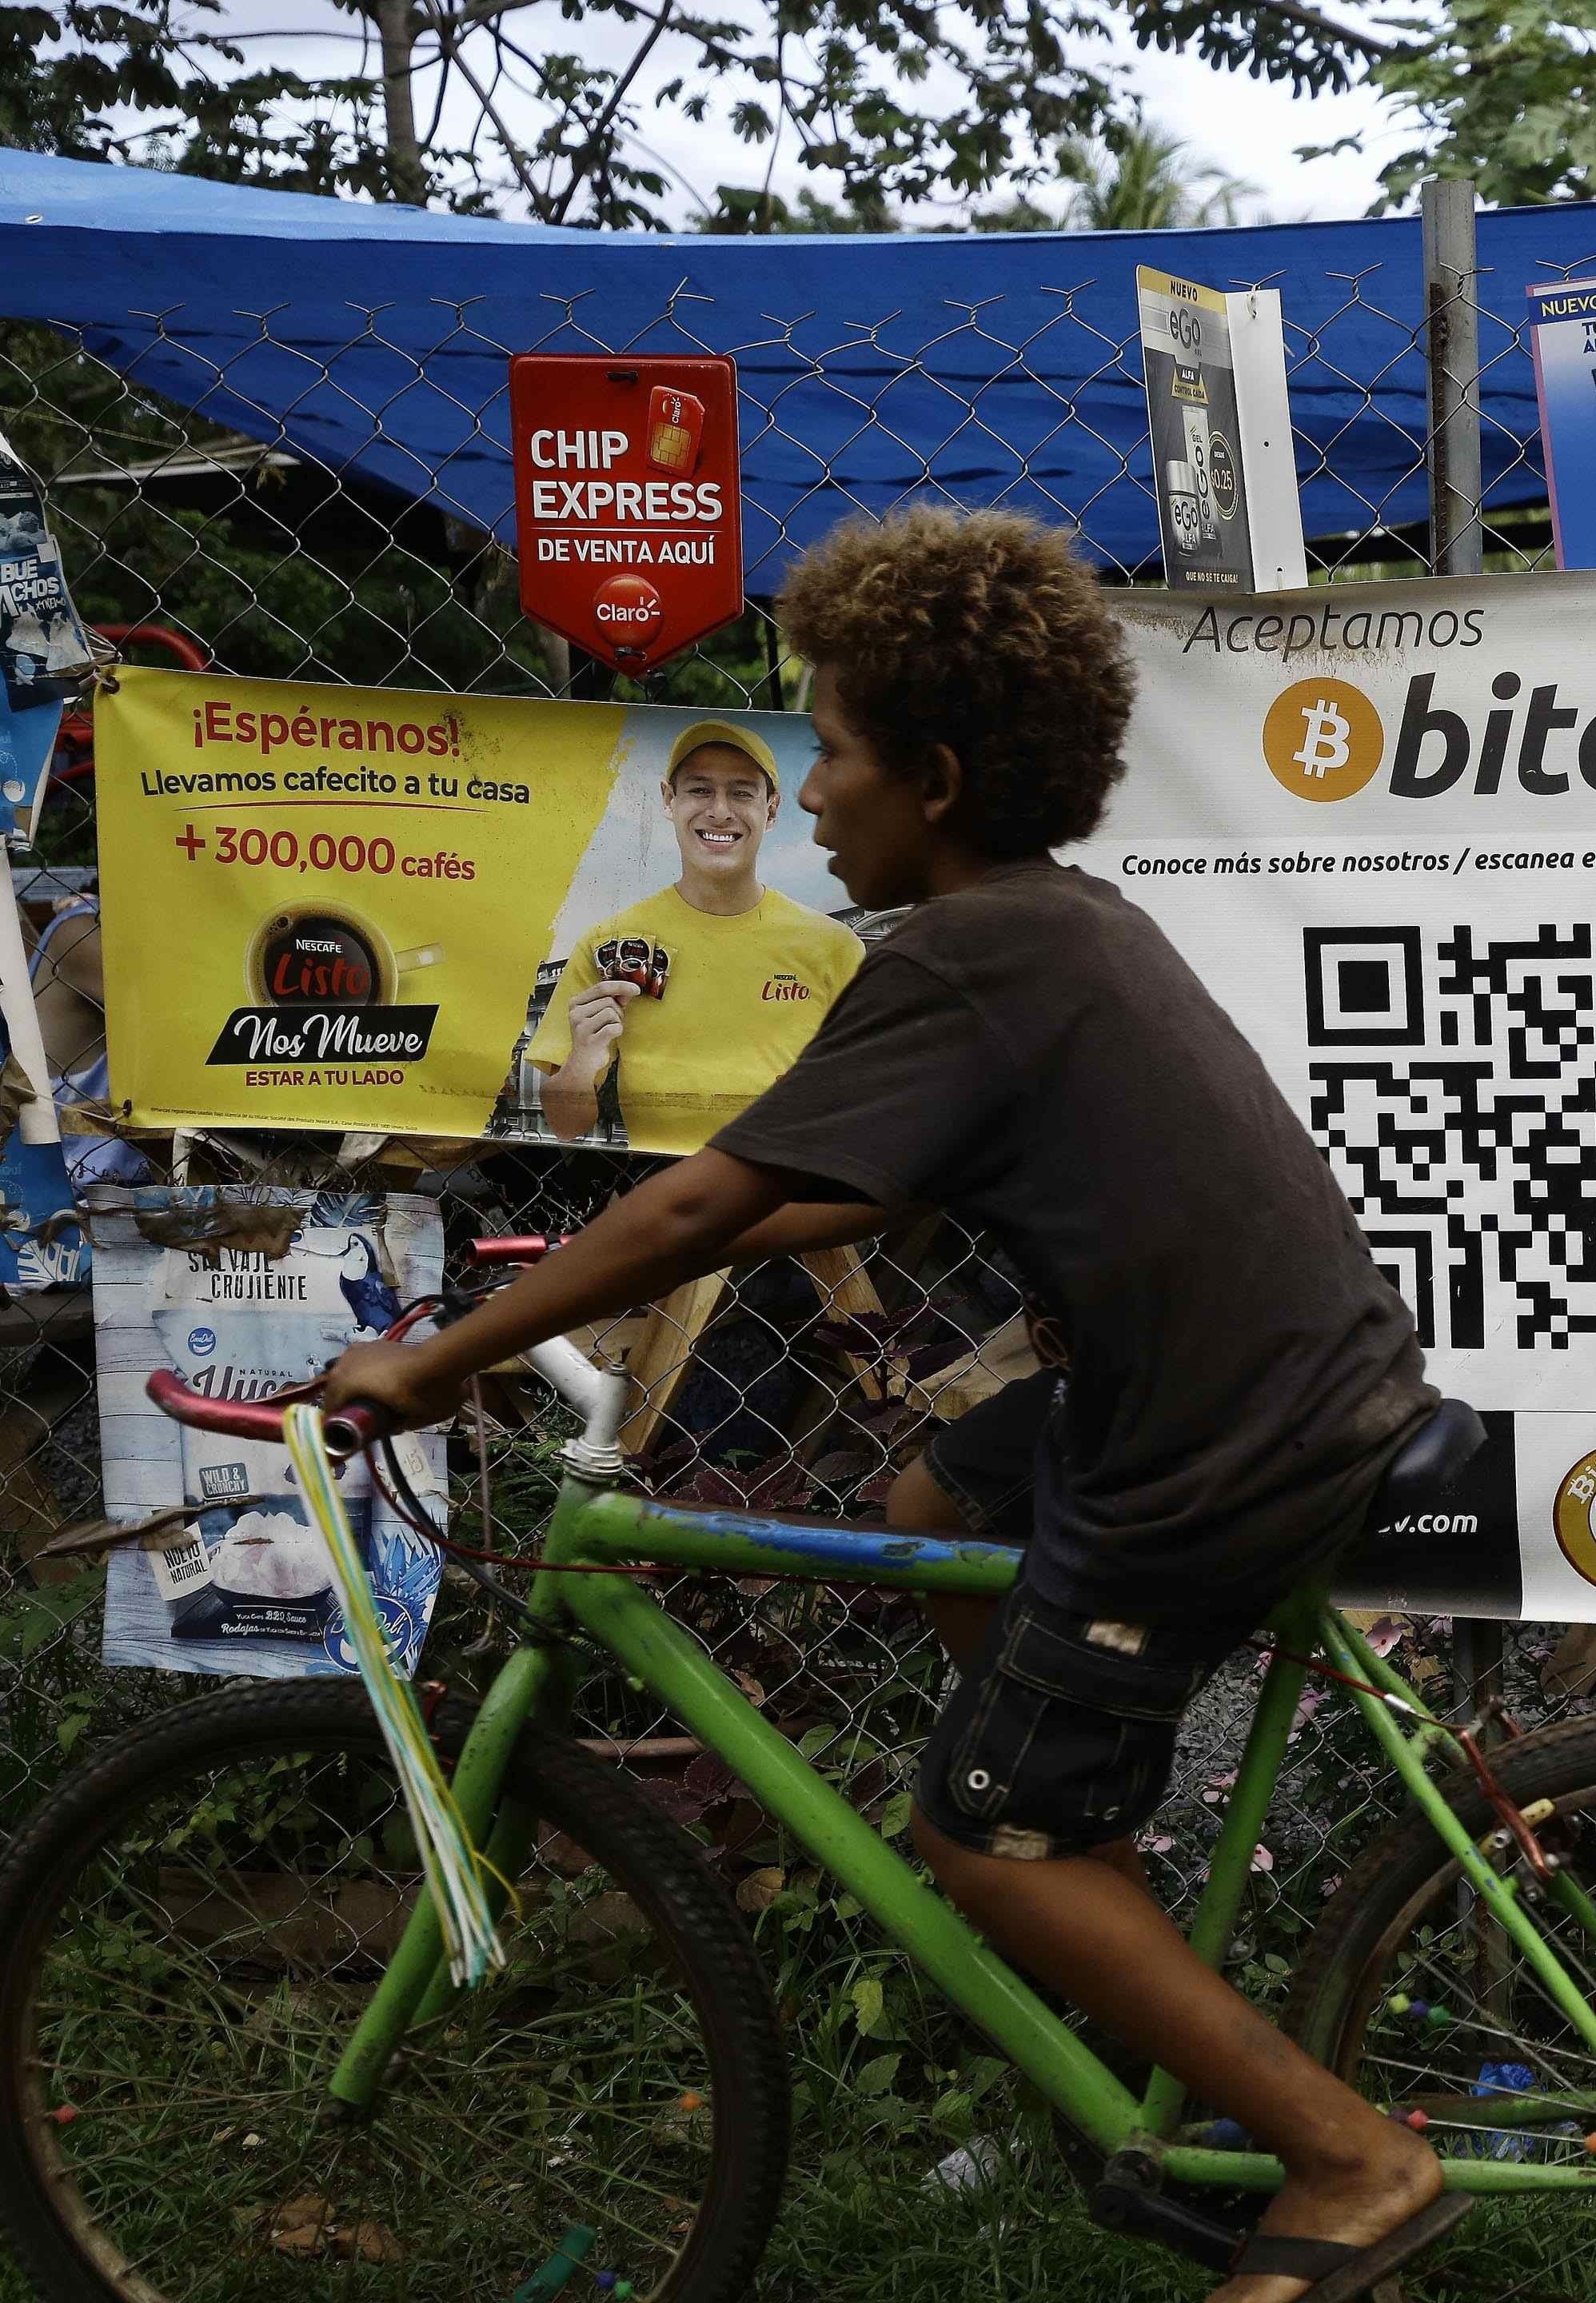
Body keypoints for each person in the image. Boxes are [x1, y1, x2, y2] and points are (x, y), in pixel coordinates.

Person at [324, 507, 1460, 2303]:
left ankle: (1342, 2155)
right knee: (932, 1504)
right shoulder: (1046, 928)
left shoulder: (965, 957)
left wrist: (438, 1354)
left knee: (968, 1833)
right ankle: (1087, 1859)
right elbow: (816, 1194)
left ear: (930, 778)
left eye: (832, 751)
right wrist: (641, 1260)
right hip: (1252, 1385)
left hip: (1213, 1447)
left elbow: (700, 1202)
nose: (808, 790)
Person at [525, 720, 864, 1148]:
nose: (720, 811)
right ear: (670, 799)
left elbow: (871, 1096)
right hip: (659, 1178)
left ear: (772, 810)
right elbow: (566, 1124)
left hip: (789, 1178)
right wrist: (581, 1060)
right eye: (700, 790)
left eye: (742, 793)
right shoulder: (609, 945)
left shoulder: (833, 947)